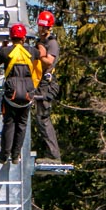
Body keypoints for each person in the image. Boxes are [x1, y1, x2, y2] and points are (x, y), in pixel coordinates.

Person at [0, 23, 36, 165]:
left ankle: (4, 156)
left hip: (12, 95)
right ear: (23, 38)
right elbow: (42, 55)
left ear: (11, 37)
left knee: (9, 123)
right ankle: (16, 156)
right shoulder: (31, 51)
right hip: (28, 94)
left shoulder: (5, 52)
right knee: (22, 124)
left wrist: (0, 51)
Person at [33, 10, 62, 163]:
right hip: (39, 83)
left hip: (47, 84)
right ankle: (49, 152)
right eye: (40, 26)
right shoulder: (40, 42)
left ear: (49, 27)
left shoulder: (51, 43)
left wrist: (39, 54)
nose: (41, 29)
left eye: (44, 27)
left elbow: (49, 61)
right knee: (39, 119)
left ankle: (54, 155)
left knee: (43, 118)